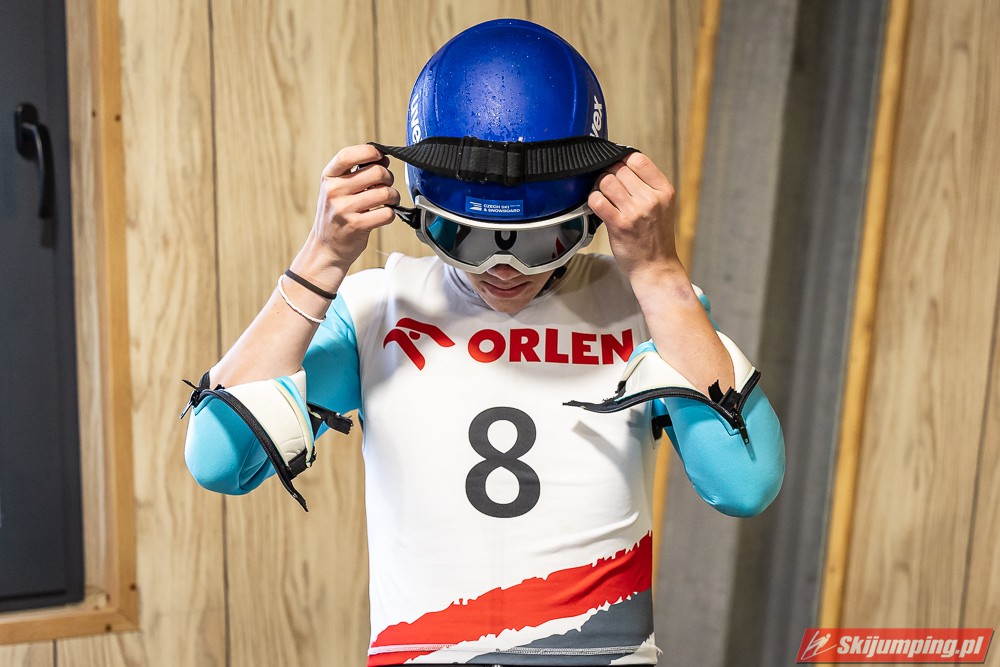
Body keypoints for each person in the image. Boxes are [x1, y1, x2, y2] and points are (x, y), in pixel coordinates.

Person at [182, 18, 784, 667]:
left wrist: (660, 272)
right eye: (462, 236)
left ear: (591, 213)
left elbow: (745, 483)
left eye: (541, 240)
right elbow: (219, 458)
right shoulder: (377, 308)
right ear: (420, 213)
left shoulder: (644, 306)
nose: (504, 270)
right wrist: (322, 258)